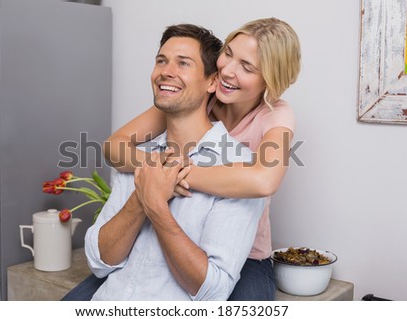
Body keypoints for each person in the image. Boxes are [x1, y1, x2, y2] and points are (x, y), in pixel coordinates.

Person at [104, 17, 302, 301]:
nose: (227, 71)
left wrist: (175, 173)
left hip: (246, 258)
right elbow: (114, 147)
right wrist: (156, 171)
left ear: (271, 79)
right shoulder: (198, 98)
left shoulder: (275, 115)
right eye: (229, 55)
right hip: (183, 239)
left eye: (246, 67)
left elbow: (264, 179)